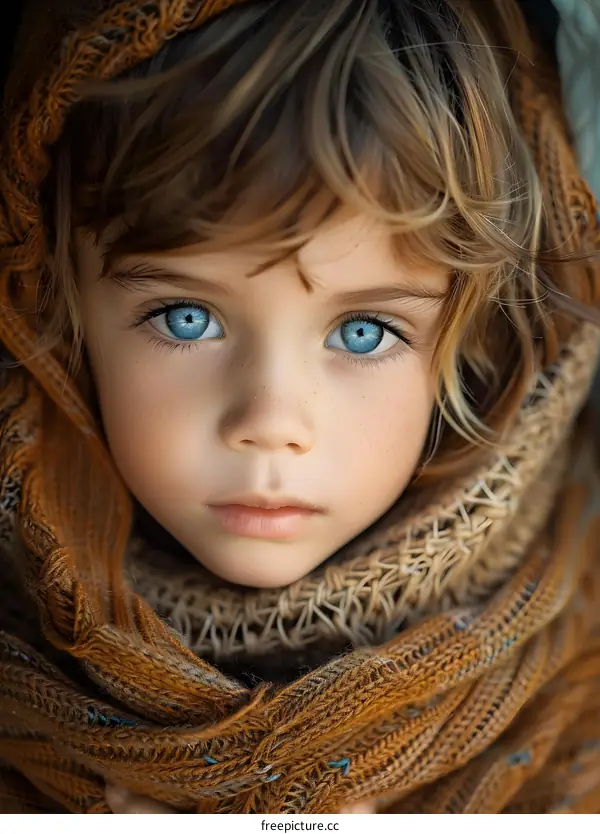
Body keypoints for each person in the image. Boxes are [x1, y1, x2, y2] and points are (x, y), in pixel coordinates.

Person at [1, 0, 600, 815]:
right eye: (188, 317)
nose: (271, 418)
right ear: (62, 317)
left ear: (476, 342)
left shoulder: (579, 713)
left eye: (362, 331)